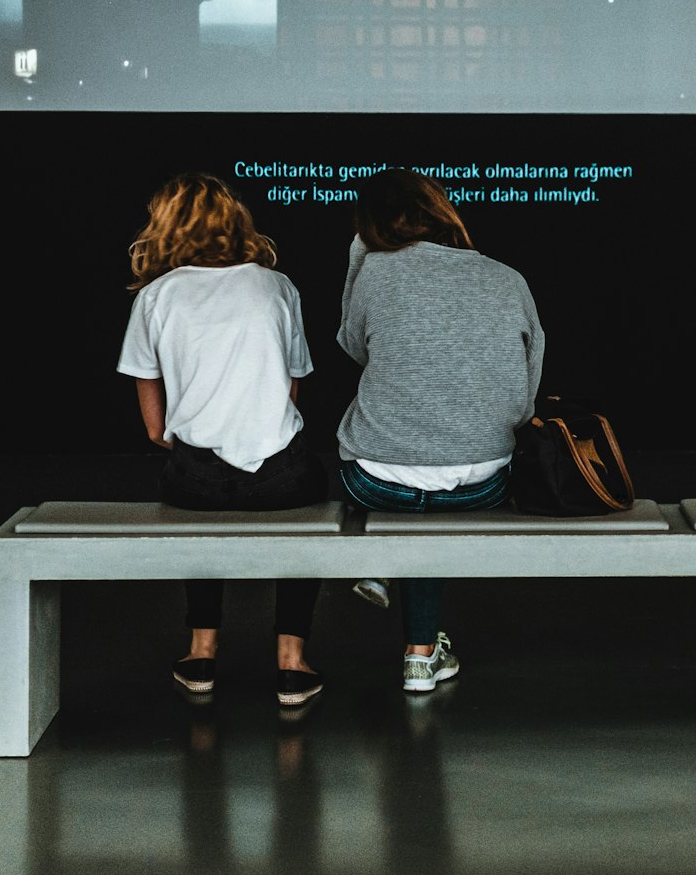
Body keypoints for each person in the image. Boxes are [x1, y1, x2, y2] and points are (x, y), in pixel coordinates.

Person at [116, 173, 330, 706]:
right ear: (236, 221)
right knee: (311, 503)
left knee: (197, 515)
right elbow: (293, 379)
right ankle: (291, 661)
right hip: (281, 472)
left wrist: (167, 436)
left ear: (165, 225)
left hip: (195, 473)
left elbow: (146, 382)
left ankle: (202, 650)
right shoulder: (276, 285)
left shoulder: (157, 295)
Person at [334, 167, 544, 692]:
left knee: (389, 472)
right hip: (483, 483)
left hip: (377, 482)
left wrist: (360, 257)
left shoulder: (376, 272)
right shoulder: (507, 278)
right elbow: (525, 396)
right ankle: (420, 656)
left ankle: (382, 564)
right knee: (431, 489)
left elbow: (353, 346)